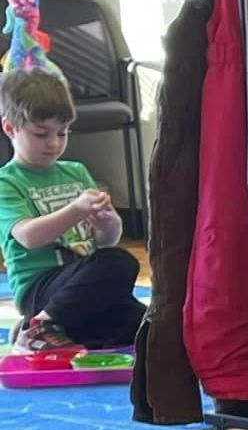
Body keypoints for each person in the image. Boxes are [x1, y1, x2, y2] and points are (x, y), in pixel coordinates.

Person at [0, 69, 143, 352]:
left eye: (62, 132)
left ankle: (52, 329)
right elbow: (29, 236)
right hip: (41, 289)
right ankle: (38, 327)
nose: (53, 143)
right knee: (118, 262)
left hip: (84, 289)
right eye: (41, 133)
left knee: (145, 324)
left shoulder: (76, 172)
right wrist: (76, 209)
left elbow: (104, 241)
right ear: (10, 128)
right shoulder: (7, 181)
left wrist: (109, 223)